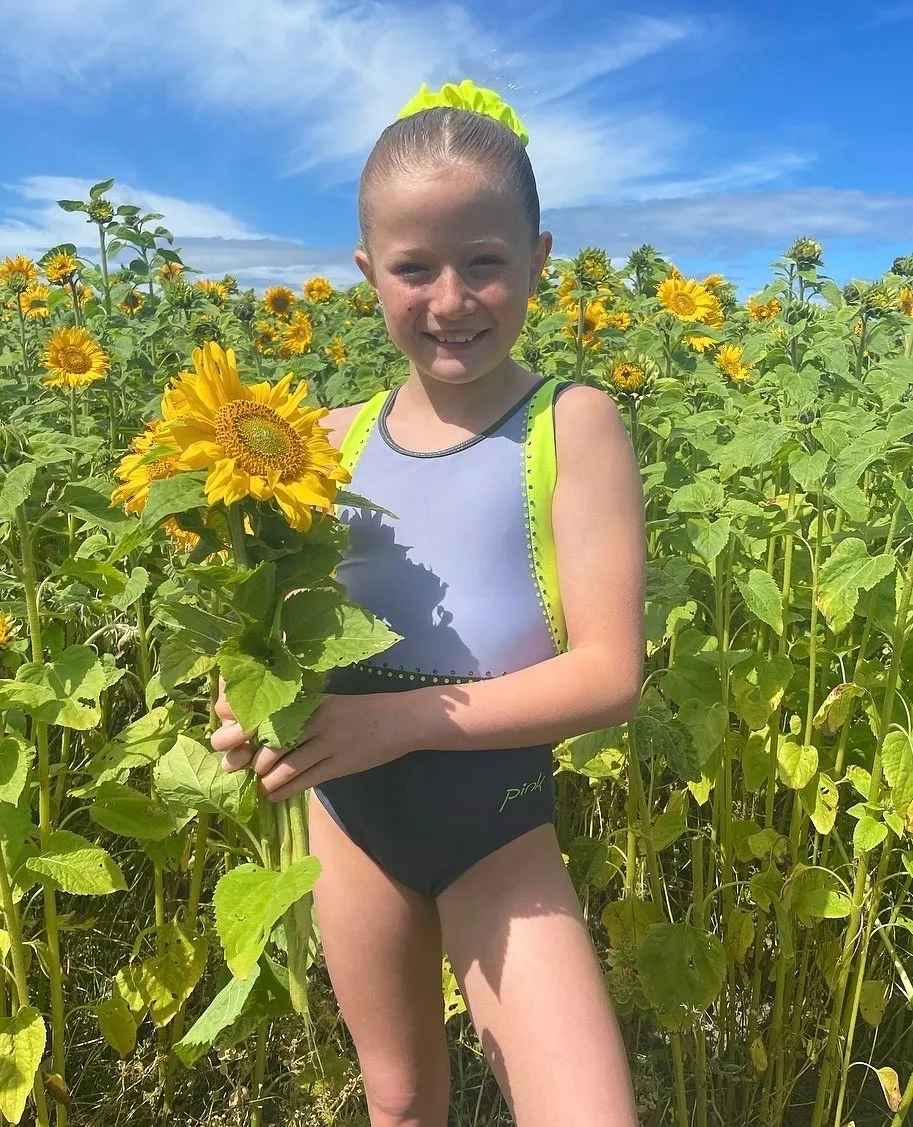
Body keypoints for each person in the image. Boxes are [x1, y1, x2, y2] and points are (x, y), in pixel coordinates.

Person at [211, 79, 645, 1127]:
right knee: (400, 1103)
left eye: (484, 262)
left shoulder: (570, 423)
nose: (451, 300)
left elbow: (610, 674)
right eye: (414, 268)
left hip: (494, 825)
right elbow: (283, 633)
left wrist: (391, 721)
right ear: (369, 273)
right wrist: (248, 701)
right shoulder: (323, 440)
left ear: (537, 259)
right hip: (349, 826)